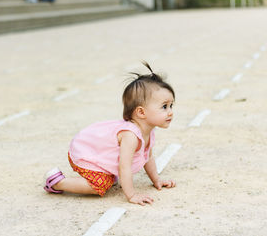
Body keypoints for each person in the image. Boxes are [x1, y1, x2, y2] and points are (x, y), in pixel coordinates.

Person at [44, 62, 176, 206]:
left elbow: (147, 157)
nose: (170, 112)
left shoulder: (149, 131)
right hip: (85, 152)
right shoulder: (130, 136)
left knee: (109, 179)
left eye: (171, 105)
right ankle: (58, 182)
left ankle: (101, 173)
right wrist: (131, 195)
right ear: (141, 112)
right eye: (164, 107)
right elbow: (124, 167)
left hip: (95, 150)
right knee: (100, 185)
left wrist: (156, 180)